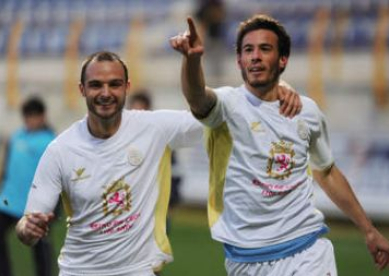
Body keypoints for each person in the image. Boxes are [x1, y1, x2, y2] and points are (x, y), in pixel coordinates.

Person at [14, 51, 300, 276]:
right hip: (79, 271)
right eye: (95, 85)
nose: (105, 93)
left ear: (126, 87)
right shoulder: (60, 150)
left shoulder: (153, 127)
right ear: (81, 89)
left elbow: (217, 110)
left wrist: (274, 87)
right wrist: (27, 229)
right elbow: (28, 223)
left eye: (114, 84)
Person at [169, 14, 389, 276]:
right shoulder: (227, 105)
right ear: (239, 60)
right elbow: (197, 97)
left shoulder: (306, 111)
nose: (255, 56)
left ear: (283, 59)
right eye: (248, 50)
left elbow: (327, 171)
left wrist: (368, 229)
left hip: (306, 250)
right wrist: (192, 59)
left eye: (265, 49)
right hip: (245, 259)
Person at [0, 96, 55, 276]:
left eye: (33, 116)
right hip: (10, 200)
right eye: (27, 116)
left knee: (40, 246)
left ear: (42, 116)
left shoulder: (50, 141)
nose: (30, 121)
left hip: (35, 205)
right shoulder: (17, 136)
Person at [128, 90, 182, 232]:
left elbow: (174, 173)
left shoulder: (162, 140)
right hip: (129, 212)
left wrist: (172, 202)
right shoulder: (121, 141)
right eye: (134, 111)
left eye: (141, 111)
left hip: (157, 210)